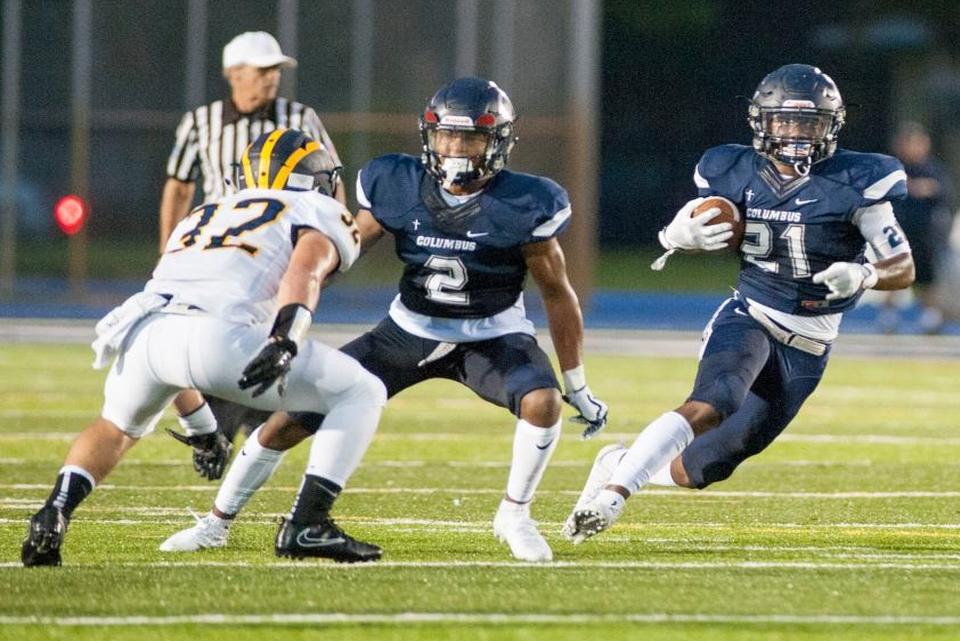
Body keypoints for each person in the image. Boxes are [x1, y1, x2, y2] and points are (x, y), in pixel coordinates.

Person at [158, 77, 608, 563]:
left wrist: (576, 381)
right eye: (446, 135)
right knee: (289, 420)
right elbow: (339, 252)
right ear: (428, 136)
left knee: (543, 403)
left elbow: (557, 295)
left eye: (470, 137)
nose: (455, 148)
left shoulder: (527, 202)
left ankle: (514, 515)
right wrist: (277, 308)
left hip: (492, 335)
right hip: (406, 331)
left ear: (497, 141)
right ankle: (215, 522)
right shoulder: (397, 183)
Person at [562, 64, 916, 542]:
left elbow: (904, 267)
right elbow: (685, 225)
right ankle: (613, 497)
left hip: (809, 343)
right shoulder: (731, 169)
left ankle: (618, 463)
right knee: (712, 402)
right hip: (750, 314)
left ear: (830, 126)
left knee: (704, 468)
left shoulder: (859, 179)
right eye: (785, 122)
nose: (795, 134)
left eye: (808, 123)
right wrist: (675, 234)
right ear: (762, 122)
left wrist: (866, 273)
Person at [22, 129, 386, 567]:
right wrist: (287, 337)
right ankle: (309, 522)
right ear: (317, 180)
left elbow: (178, 351)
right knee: (362, 391)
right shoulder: (314, 208)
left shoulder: (206, 212)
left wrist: (202, 429)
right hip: (223, 334)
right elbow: (306, 269)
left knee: (116, 428)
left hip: (148, 332)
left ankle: (54, 512)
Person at [160, 31, 345, 445]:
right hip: (218, 252)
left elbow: (332, 180)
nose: (271, 79)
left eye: (275, 71)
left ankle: (251, 423)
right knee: (214, 331)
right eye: (262, 71)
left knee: (269, 329)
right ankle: (218, 426)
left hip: (280, 248)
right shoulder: (201, 121)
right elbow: (178, 186)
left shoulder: (299, 117)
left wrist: (330, 238)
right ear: (233, 74)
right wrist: (169, 250)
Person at [878, 121, 952, 334]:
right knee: (893, 272)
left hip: (925, 233)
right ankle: (888, 317)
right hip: (897, 231)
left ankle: (930, 318)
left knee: (927, 277)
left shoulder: (933, 168)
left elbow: (940, 192)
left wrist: (918, 188)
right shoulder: (893, 168)